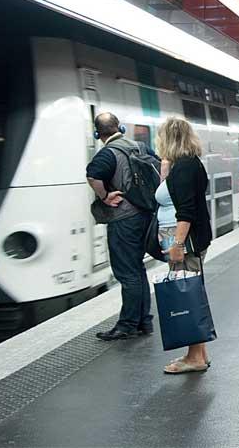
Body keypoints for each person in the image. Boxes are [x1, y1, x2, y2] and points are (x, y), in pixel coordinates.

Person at [86, 112, 155, 341]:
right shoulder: (140, 146)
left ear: (98, 134)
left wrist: (105, 196)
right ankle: (144, 321)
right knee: (137, 268)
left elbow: (92, 175)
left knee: (127, 273)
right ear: (120, 128)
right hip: (145, 214)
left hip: (124, 218)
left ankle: (127, 325)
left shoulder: (108, 153)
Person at [154, 117, 213, 374]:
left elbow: (186, 211)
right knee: (192, 291)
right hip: (184, 240)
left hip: (185, 241)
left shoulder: (186, 167)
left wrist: (177, 244)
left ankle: (195, 358)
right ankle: (198, 352)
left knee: (188, 294)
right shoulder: (184, 165)